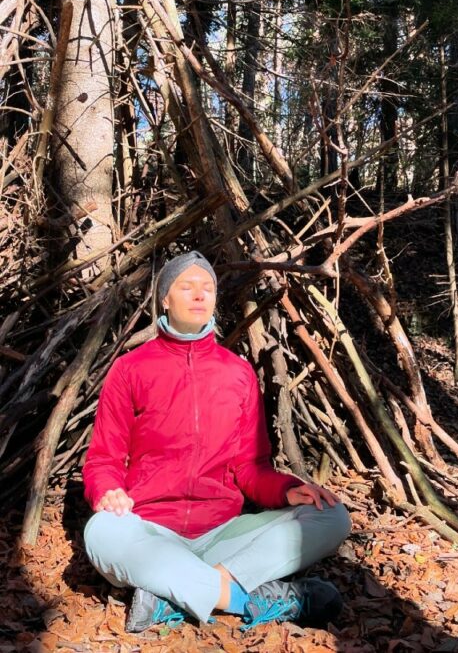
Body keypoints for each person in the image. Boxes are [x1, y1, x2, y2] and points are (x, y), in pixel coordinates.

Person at [82, 251, 352, 633]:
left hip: (222, 534)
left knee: (332, 515)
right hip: (150, 534)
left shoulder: (237, 373)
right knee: (101, 532)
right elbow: (103, 459)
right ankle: (246, 600)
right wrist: (107, 490)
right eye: (186, 287)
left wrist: (287, 490)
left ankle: (174, 595)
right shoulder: (130, 369)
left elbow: (250, 468)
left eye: (207, 288)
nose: (199, 295)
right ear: (164, 299)